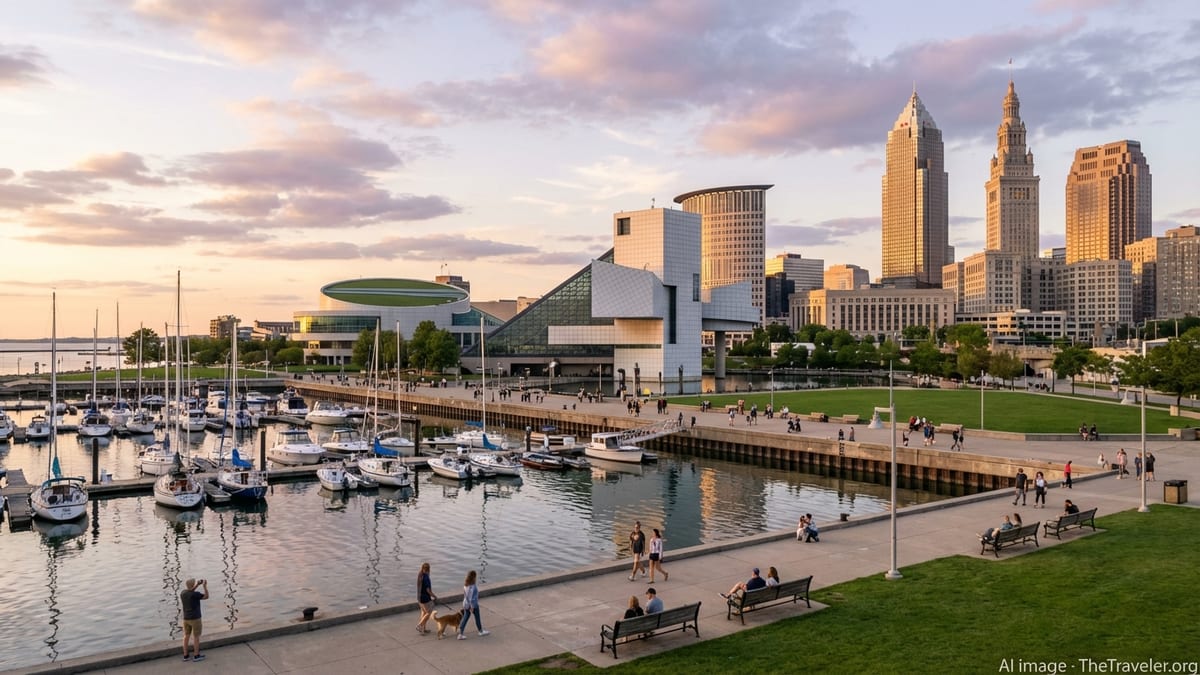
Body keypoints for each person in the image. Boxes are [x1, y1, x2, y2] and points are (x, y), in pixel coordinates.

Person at [180, 578, 208, 662]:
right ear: (192, 585)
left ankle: (186, 655)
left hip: (186, 619)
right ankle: (196, 655)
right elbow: (206, 596)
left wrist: (197, 584)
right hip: (195, 619)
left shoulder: (183, 593)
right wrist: (204, 586)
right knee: (196, 637)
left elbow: (190, 590)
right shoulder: (195, 594)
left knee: (186, 636)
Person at [457, 570, 489, 639]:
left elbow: (466, 596)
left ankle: (460, 633)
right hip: (473, 605)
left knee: (465, 617)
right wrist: (472, 607)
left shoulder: (465, 585)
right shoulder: (473, 587)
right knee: (477, 617)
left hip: (465, 604)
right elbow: (471, 598)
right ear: (474, 577)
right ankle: (480, 631)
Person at [416, 562, 436, 635]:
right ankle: (420, 625)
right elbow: (428, 590)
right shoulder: (426, 578)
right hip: (425, 598)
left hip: (419, 598)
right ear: (428, 569)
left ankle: (423, 629)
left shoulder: (420, 575)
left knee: (423, 612)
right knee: (429, 612)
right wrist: (434, 596)